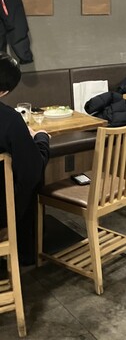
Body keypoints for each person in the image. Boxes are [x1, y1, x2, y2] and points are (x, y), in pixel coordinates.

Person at [0, 53, 50, 264]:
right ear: (4, 91)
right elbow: (32, 170)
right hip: (2, 211)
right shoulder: (10, 119)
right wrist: (41, 139)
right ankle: (23, 253)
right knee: (28, 182)